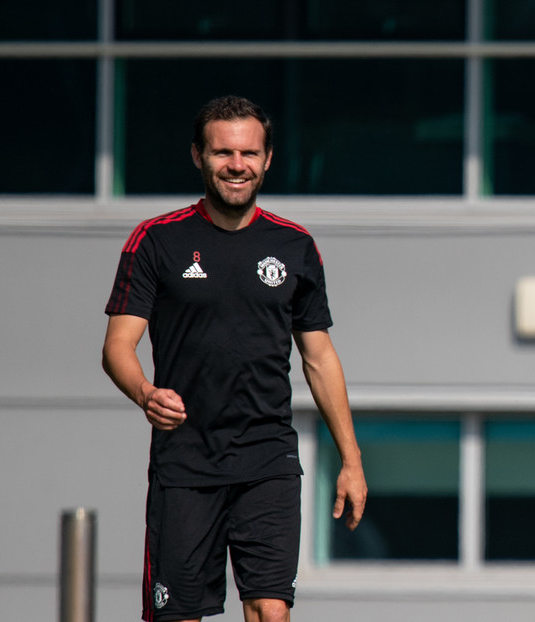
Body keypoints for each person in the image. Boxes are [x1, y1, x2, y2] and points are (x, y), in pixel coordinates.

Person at [102, 95, 367, 622]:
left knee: (272, 609)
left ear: (267, 159)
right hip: (186, 462)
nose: (236, 164)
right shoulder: (157, 240)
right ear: (198, 156)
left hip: (267, 457)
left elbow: (319, 358)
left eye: (248, 153)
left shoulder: (295, 246)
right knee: (179, 615)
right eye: (223, 152)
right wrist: (146, 393)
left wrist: (352, 461)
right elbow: (117, 347)